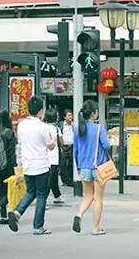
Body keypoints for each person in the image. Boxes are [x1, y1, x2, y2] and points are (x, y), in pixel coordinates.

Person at [7, 96, 56, 235]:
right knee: (41, 195)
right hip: (41, 165)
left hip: (28, 165)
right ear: (41, 111)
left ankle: (17, 212)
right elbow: (50, 146)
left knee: (30, 192)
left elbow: (20, 144)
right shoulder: (43, 127)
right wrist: (53, 143)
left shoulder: (22, 125)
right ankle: (38, 226)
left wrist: (19, 164)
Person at [72, 100, 110, 235]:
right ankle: (96, 228)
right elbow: (106, 146)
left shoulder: (77, 129)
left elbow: (75, 150)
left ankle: (79, 215)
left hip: (84, 166)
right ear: (94, 113)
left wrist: (78, 166)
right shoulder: (99, 128)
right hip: (98, 167)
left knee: (88, 196)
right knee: (98, 198)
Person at [45, 108, 64, 205]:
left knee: (53, 177)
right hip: (54, 157)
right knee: (50, 179)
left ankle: (57, 195)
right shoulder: (57, 129)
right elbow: (62, 142)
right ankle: (43, 200)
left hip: (44, 156)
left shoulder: (43, 127)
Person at [60, 110, 75, 187]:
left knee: (71, 164)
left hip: (72, 146)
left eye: (71, 115)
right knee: (63, 164)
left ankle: (71, 180)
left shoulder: (74, 125)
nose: (70, 117)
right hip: (64, 147)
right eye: (68, 115)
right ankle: (65, 180)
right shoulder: (61, 125)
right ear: (65, 117)